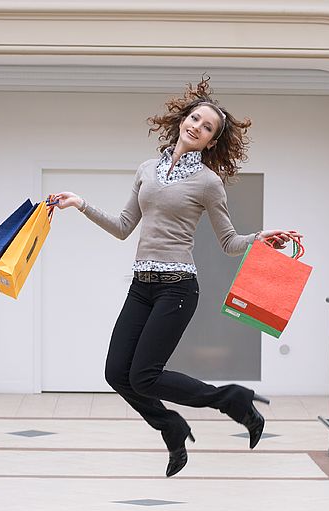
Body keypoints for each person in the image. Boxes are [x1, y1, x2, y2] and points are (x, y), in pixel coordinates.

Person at [50, 76, 303, 477]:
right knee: (117, 373)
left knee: (145, 375)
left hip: (178, 288)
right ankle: (172, 426)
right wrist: (81, 203)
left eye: (207, 128)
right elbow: (122, 226)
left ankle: (232, 400)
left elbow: (228, 241)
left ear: (210, 143)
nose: (197, 127)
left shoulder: (208, 182)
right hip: (141, 287)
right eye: (195, 119)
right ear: (183, 118)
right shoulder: (147, 170)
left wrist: (261, 239)